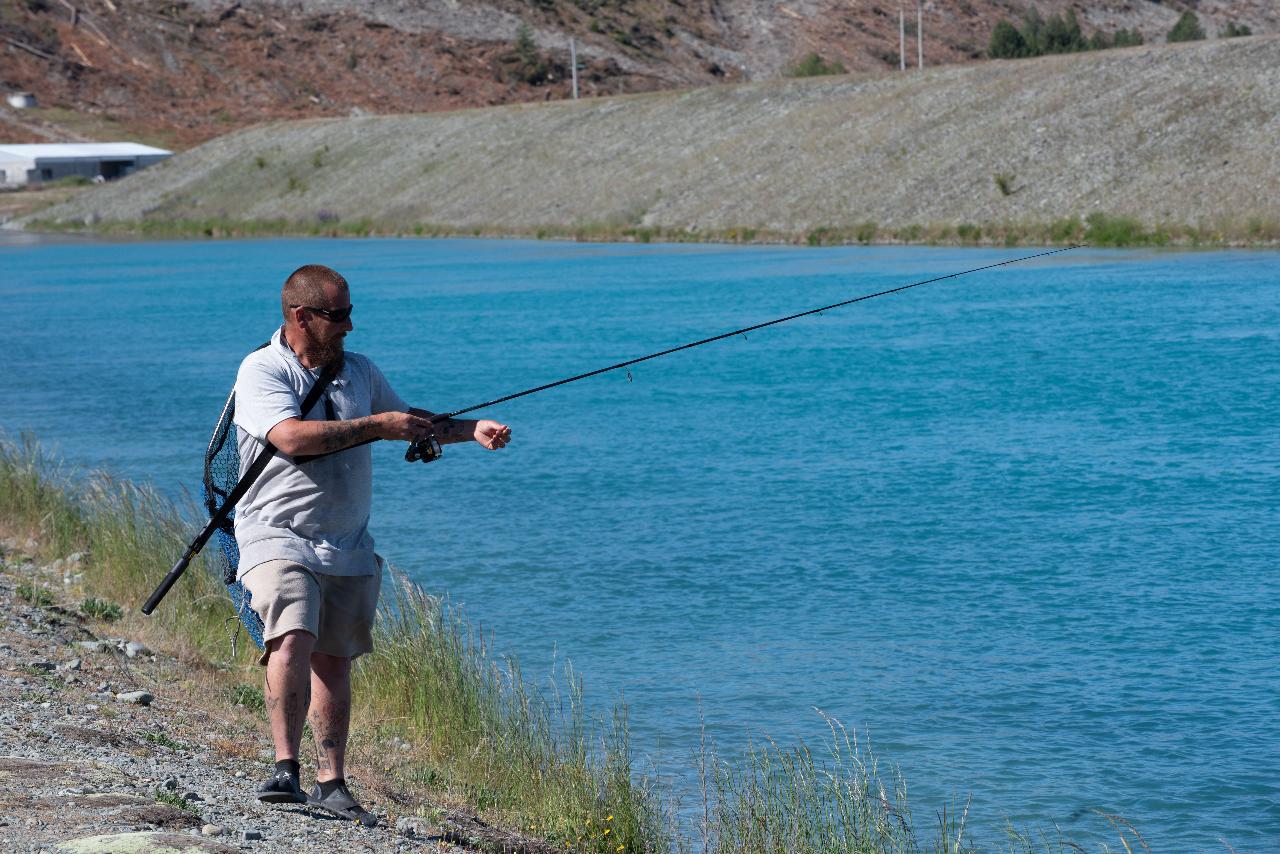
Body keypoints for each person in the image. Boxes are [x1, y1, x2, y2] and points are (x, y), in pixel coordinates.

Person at [231, 264, 510, 825]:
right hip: (274, 530)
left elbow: (407, 422)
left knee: (335, 659)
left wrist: (467, 429)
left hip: (348, 541)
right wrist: (378, 426)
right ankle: (285, 768)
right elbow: (289, 438)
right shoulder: (262, 369)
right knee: (293, 636)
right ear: (300, 317)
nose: (349, 326)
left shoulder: (360, 372)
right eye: (338, 316)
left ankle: (331, 781)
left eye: (351, 312)